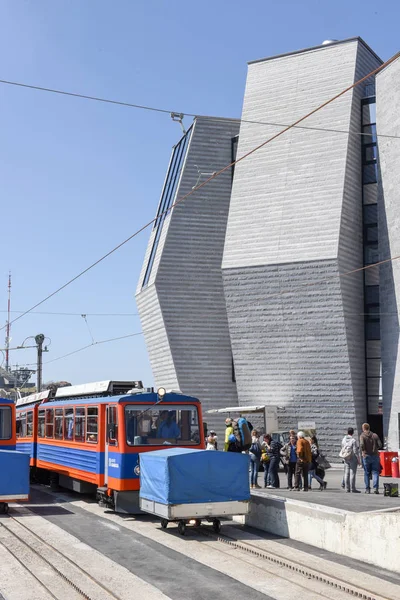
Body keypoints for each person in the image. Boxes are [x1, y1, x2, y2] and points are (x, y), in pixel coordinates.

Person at [360, 423, 382, 494]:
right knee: (375, 472)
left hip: (366, 456)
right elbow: (380, 444)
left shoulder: (362, 436)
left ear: (363, 428)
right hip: (375, 456)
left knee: (366, 473)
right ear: (369, 428)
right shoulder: (374, 435)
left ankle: (367, 489)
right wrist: (376, 448)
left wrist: (363, 451)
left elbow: (362, 445)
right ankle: (376, 488)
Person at [341, 427, 361, 493]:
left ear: (347, 432)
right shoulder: (353, 440)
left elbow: (342, 447)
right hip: (352, 458)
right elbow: (355, 451)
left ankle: (347, 488)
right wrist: (358, 459)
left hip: (346, 457)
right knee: (352, 473)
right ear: (353, 432)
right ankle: (353, 488)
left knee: (346, 473)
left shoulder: (344, 439)